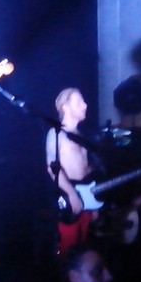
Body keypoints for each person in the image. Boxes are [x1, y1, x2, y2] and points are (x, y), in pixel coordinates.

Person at [46, 87, 100, 256]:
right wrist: (71, 194)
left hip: (86, 201)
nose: (85, 105)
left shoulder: (81, 135)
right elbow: (52, 167)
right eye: (79, 102)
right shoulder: (56, 133)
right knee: (68, 251)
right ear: (65, 106)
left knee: (84, 249)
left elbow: (87, 171)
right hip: (70, 202)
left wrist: (93, 201)